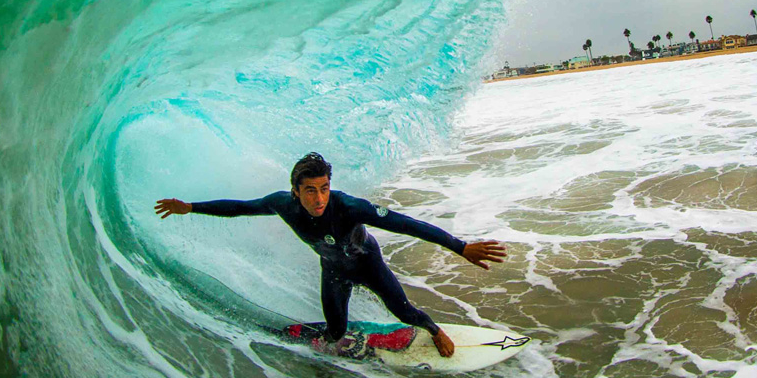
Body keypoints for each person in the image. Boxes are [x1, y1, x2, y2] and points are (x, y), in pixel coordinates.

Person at [154, 152, 506, 357]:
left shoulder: (350, 207)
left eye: (324, 189)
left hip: (367, 263)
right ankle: (338, 336)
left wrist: (460, 247)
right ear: (295, 191)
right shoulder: (282, 204)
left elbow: (405, 225)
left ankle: (433, 328)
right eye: (310, 191)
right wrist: (191, 207)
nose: (319, 199)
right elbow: (240, 207)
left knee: (404, 311)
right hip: (334, 270)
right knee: (336, 332)